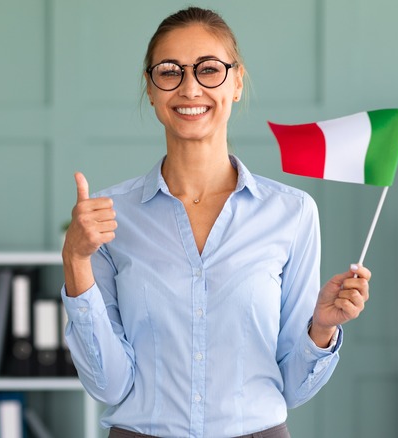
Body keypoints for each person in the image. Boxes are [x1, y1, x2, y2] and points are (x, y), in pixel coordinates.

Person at [60, 6, 370, 438]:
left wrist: (321, 329)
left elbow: (292, 388)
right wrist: (75, 262)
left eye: (209, 70)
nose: (190, 88)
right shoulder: (109, 216)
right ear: (150, 89)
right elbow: (108, 384)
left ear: (237, 81)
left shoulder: (292, 213)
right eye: (170, 72)